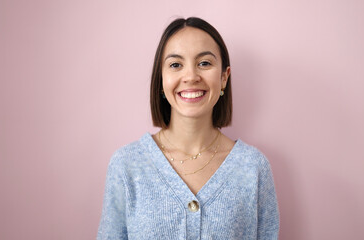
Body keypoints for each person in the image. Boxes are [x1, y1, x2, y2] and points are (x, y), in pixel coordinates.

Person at [97, 17, 279, 240]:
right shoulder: (126, 165)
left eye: (204, 63)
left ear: (224, 77)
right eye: (175, 65)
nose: (191, 76)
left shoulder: (253, 168)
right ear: (161, 80)